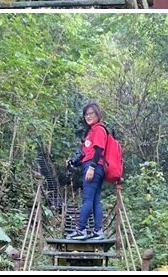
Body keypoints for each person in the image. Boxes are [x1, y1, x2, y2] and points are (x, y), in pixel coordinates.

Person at [65, 102, 106, 241]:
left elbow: (99, 149)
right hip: (93, 166)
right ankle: (97, 231)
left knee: (87, 199)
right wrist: (72, 161)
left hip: (93, 166)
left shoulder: (99, 129)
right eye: (86, 114)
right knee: (95, 200)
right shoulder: (91, 132)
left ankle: (81, 229)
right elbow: (84, 153)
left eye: (91, 113)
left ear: (97, 114)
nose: (88, 116)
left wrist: (92, 167)